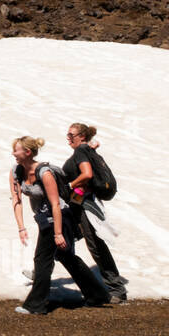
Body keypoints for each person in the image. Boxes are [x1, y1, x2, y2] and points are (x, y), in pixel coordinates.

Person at [9, 136, 110, 314]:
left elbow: (56, 204)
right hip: (43, 218)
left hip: (59, 218)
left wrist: (58, 233)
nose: (13, 153)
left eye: (16, 150)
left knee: (42, 260)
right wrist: (21, 227)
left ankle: (35, 305)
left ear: (27, 152)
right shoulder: (16, 171)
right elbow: (16, 200)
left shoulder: (44, 173)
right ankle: (97, 295)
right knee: (66, 256)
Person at [62, 122, 129, 302]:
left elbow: (87, 174)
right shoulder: (87, 149)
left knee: (96, 247)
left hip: (83, 205)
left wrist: (68, 185)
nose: (68, 138)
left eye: (71, 135)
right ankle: (41, 274)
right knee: (60, 236)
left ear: (82, 137)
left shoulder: (82, 151)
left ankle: (117, 290)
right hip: (77, 203)